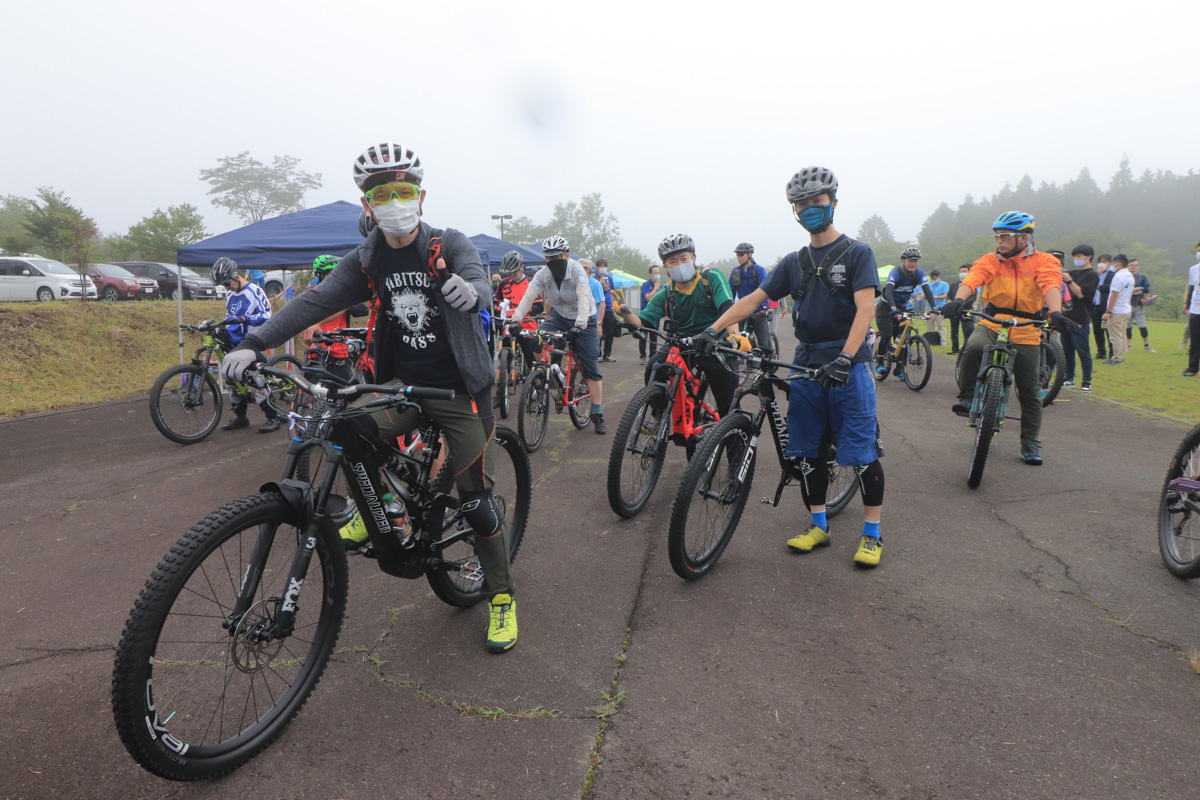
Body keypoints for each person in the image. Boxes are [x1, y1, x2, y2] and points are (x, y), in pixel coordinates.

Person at [219, 142, 518, 653]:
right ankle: (386, 510)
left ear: (421, 197)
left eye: (404, 191)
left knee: (477, 504)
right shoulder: (368, 258)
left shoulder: (448, 243)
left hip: (459, 390)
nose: (394, 201)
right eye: (382, 193)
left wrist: (475, 293)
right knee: (344, 428)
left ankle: (501, 598)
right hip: (398, 388)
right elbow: (314, 301)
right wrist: (253, 342)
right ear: (367, 204)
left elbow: (477, 278)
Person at [698, 165, 886, 568]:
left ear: (833, 202)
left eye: (817, 201)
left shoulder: (857, 253)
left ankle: (872, 534)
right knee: (810, 453)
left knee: (862, 452)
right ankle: (818, 525)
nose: (809, 209)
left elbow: (865, 308)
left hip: (846, 366)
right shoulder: (794, 260)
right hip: (805, 365)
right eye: (801, 204)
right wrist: (712, 329)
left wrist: (845, 358)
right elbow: (754, 300)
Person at [940, 211, 1078, 466]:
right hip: (993, 320)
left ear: (1023, 237)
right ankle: (968, 395)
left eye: (1004, 236)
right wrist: (959, 300)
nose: (999, 241)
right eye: (997, 236)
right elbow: (973, 280)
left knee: (1029, 392)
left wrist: (1056, 312)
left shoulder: (1044, 261)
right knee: (973, 347)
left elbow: (1049, 285)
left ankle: (1030, 443)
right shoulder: (989, 260)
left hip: (1027, 326)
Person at [618, 234, 747, 417]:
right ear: (666, 267)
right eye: (672, 261)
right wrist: (627, 315)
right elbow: (643, 321)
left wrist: (735, 335)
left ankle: (736, 441)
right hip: (683, 345)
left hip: (717, 344)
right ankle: (658, 417)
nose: (679, 264)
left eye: (684, 258)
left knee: (729, 406)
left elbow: (728, 309)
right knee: (654, 367)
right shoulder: (667, 291)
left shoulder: (710, 278)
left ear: (693, 258)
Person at [509, 236, 607, 434]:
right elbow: (529, 295)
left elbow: (582, 296)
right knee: (535, 339)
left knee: (590, 367)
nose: (554, 261)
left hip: (584, 319)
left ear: (567, 255)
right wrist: (515, 320)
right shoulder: (544, 273)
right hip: (560, 317)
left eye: (558, 256)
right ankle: (549, 375)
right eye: (549, 257)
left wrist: (580, 324)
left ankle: (597, 412)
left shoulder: (577, 270)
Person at [211, 256, 280, 433]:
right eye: (223, 286)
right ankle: (241, 416)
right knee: (231, 377)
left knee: (254, 378)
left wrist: (245, 318)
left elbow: (267, 316)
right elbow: (231, 316)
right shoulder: (230, 293)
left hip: (252, 340)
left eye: (227, 283)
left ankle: (273, 416)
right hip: (235, 341)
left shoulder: (255, 291)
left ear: (236, 276)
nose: (226, 288)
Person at [299, 255, 370, 382]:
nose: (336, 276)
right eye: (331, 273)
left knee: (345, 388)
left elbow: (362, 310)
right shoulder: (311, 294)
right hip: (318, 345)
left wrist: (346, 301)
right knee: (310, 387)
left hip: (338, 347)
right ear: (321, 275)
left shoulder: (344, 293)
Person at [875, 247, 935, 378]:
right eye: (910, 260)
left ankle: (900, 368)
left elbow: (927, 291)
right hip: (886, 307)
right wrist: (893, 308)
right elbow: (889, 291)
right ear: (903, 260)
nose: (913, 263)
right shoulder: (896, 272)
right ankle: (880, 362)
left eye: (916, 260)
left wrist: (934, 308)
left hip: (902, 307)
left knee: (903, 337)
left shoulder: (919, 273)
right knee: (887, 334)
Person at [495, 250, 542, 368]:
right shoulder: (503, 284)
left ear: (522, 267)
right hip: (509, 324)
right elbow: (495, 303)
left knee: (529, 355)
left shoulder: (531, 283)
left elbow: (539, 306)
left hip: (527, 325)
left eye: (514, 271)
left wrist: (522, 310)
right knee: (504, 349)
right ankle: (505, 375)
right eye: (508, 272)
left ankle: (535, 380)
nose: (511, 274)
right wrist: (502, 309)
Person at [1062, 244, 1099, 393]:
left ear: (1088, 256)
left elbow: (1081, 294)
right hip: (1066, 317)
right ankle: (1068, 378)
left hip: (1081, 319)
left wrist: (1069, 281)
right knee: (1067, 351)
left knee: (1083, 352)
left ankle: (1086, 382)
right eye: (1075, 256)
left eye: (1079, 256)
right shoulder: (1072, 272)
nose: (1076, 259)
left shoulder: (1092, 275)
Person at [733, 242, 772, 353]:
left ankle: (769, 363)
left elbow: (765, 289)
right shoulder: (736, 272)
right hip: (743, 310)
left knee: (763, 344)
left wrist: (764, 307)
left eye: (741, 255)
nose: (739, 258)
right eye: (737, 255)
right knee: (741, 342)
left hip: (758, 310)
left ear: (749, 255)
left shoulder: (758, 270)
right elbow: (730, 291)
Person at [1102, 254, 1134, 365]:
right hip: (1126, 309)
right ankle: (1121, 355)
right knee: (1122, 334)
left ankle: (1117, 358)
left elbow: (1114, 295)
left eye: (1112, 263)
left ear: (1118, 264)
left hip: (1117, 310)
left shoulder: (1118, 277)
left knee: (1115, 336)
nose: (1111, 266)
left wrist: (1108, 311)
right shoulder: (1129, 275)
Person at [1124, 259, 1154, 352]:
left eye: (1136, 265)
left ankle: (1146, 345)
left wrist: (1139, 288)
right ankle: (1128, 346)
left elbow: (1146, 288)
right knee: (1128, 326)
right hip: (1127, 305)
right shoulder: (1124, 277)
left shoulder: (1142, 277)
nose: (1134, 266)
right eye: (1132, 265)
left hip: (1138, 305)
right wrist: (1133, 290)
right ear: (1128, 266)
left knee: (1142, 325)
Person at [946, 264, 977, 353]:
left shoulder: (972, 284)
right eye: (961, 271)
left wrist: (963, 303)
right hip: (954, 310)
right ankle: (954, 349)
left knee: (967, 329)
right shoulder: (953, 285)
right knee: (954, 330)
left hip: (966, 310)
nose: (963, 273)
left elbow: (973, 297)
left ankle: (966, 350)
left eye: (965, 271)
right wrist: (949, 301)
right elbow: (949, 295)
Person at [638, 264, 662, 364]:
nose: (657, 275)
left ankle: (653, 357)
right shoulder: (646, 285)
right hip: (645, 315)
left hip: (655, 316)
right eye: (655, 273)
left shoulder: (661, 286)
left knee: (654, 337)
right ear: (650, 274)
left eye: (658, 273)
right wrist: (655, 288)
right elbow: (648, 297)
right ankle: (643, 357)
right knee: (643, 336)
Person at [1092, 254, 1114, 359]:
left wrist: (1099, 286)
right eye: (1100, 261)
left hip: (1105, 305)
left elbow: (1111, 287)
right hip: (1095, 304)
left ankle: (1112, 353)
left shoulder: (1113, 274)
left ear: (1110, 263)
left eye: (1105, 261)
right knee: (1097, 330)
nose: (1102, 264)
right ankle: (1101, 352)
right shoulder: (1095, 274)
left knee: (1108, 330)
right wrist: (1097, 275)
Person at [597, 258, 618, 362]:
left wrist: (612, 304)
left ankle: (607, 354)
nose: (603, 268)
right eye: (601, 266)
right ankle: (598, 354)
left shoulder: (609, 278)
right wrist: (600, 284)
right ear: (597, 268)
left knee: (610, 331)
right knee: (599, 331)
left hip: (609, 308)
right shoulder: (595, 279)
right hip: (599, 308)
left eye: (605, 266)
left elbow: (612, 292)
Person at [1184, 244, 1200, 376]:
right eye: (1198, 251)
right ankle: (1193, 368)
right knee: (1194, 340)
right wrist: (1187, 305)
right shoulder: (1193, 269)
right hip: (1196, 309)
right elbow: (1191, 288)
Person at [927, 269, 949, 344]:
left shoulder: (944, 284)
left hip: (940, 306)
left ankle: (943, 340)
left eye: (935, 278)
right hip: (929, 306)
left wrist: (936, 297)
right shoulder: (929, 284)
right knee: (930, 324)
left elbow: (945, 295)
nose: (933, 279)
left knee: (940, 324)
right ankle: (932, 340)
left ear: (938, 277)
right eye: (932, 278)